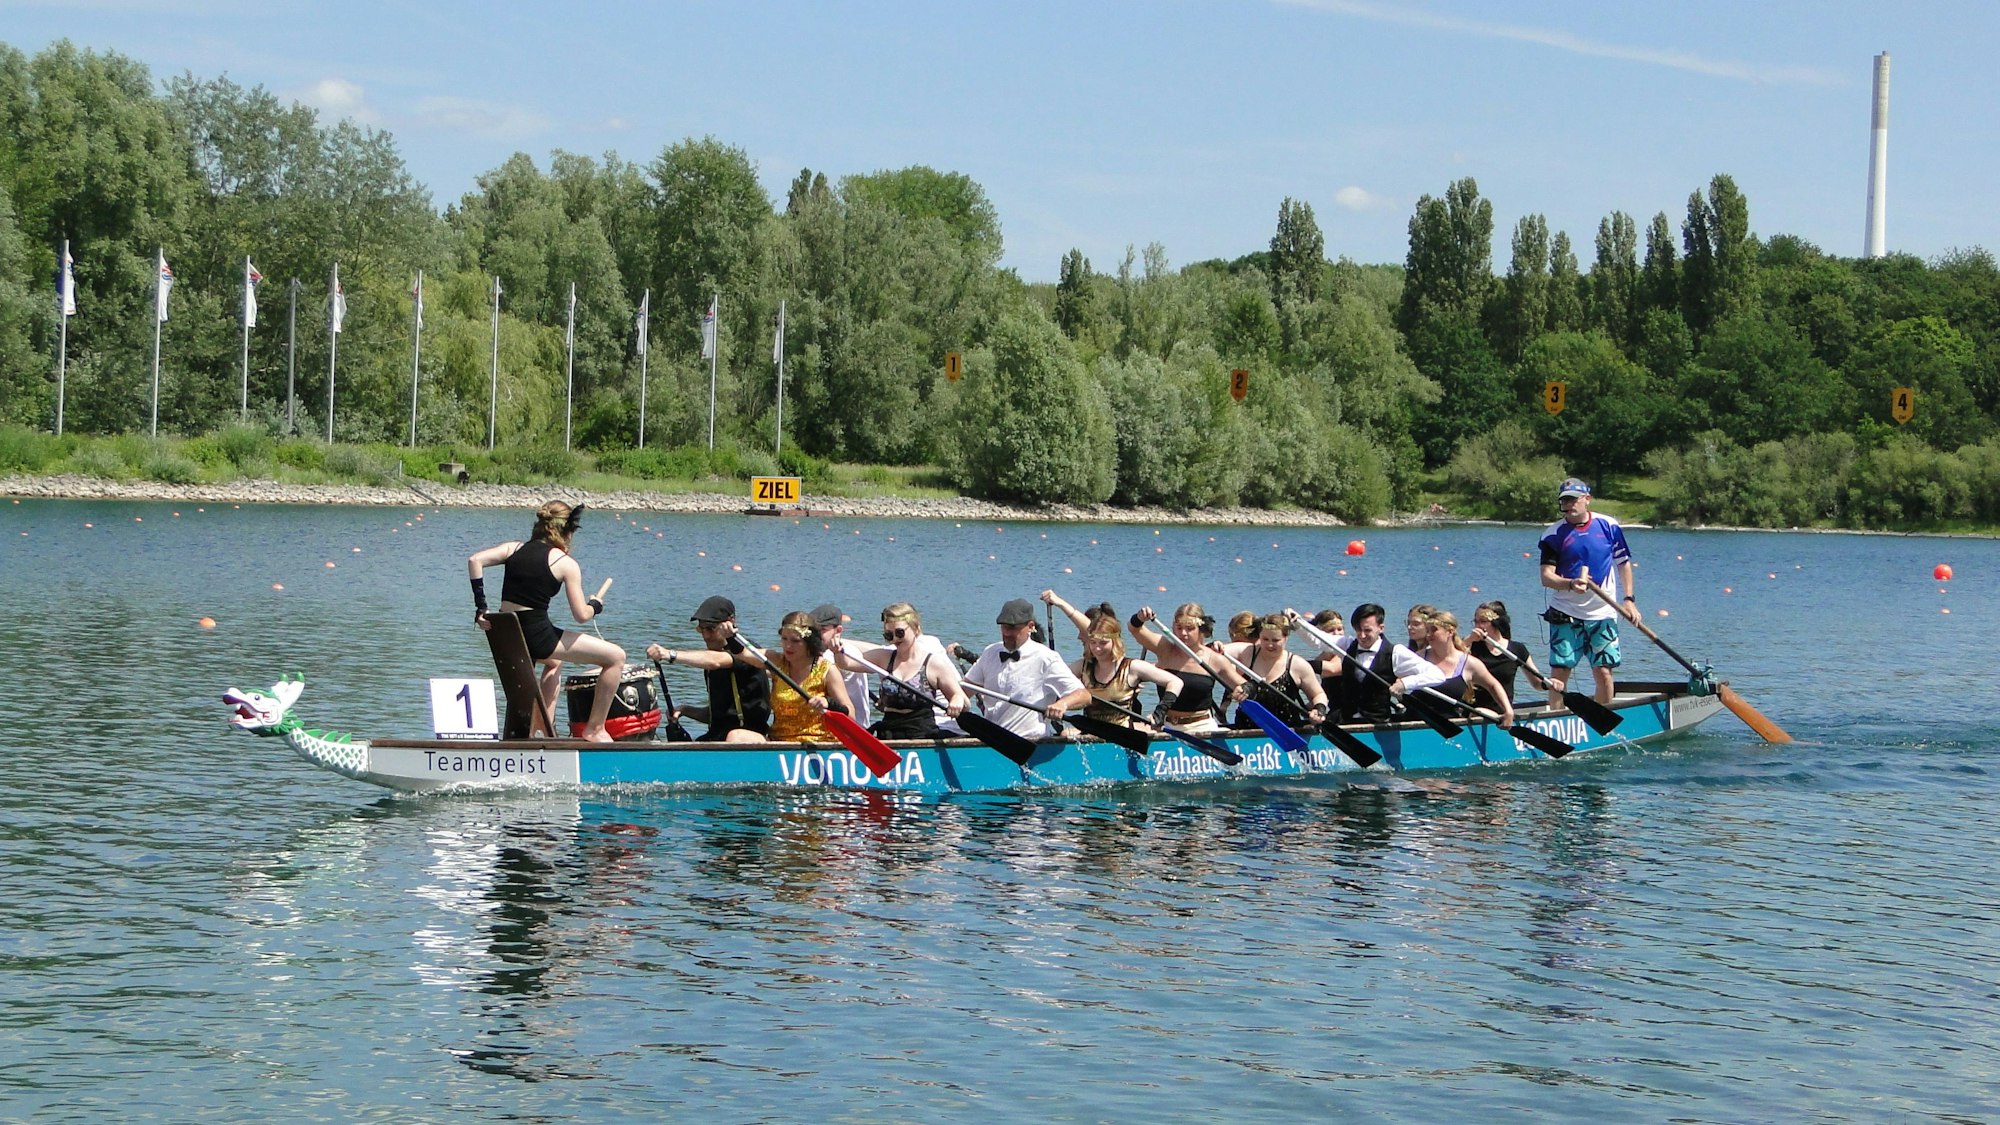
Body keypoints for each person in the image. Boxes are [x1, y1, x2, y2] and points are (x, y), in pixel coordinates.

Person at [468, 500, 624, 742]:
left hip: (507, 637)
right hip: (536, 637)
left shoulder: (514, 548)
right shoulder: (565, 563)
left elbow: (475, 560)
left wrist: (481, 607)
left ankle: (541, 727)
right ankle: (595, 729)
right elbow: (581, 616)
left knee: (554, 662)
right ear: (567, 531)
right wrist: (596, 606)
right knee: (615, 657)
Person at [1538, 476, 1640, 706]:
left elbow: (1623, 563)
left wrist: (1629, 600)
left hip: (1603, 614)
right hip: (1565, 612)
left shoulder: (1609, 526)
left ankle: (1604, 717)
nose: (1569, 505)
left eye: (1574, 499)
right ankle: (1556, 718)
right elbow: (1546, 577)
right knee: (1559, 674)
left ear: (1587, 499)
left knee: (1604, 672)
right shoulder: (1552, 535)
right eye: (1565, 501)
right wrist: (1570, 584)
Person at [1041, 590, 1183, 728]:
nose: (1097, 648)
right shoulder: (1082, 666)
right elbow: (1049, 680)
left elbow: (1176, 682)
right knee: (1064, 734)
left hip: (1124, 734)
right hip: (1090, 732)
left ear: (1115, 642)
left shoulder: (1132, 667)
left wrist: (1160, 712)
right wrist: (1058, 704)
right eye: (1093, 642)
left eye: (1103, 643)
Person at [645, 595, 771, 742]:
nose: (705, 636)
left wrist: (669, 654)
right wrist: (685, 710)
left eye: (710, 629)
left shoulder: (746, 651)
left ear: (730, 622)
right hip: (716, 737)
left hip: (747, 737)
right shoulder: (710, 662)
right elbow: (717, 714)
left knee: (733, 736)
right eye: (701, 629)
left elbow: (716, 661)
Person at [961, 598, 1090, 739]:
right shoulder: (990, 653)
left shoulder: (1046, 658)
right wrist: (954, 698)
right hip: (991, 739)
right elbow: (964, 690)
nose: (1007, 633)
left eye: (1013, 628)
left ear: (1030, 626)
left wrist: (1062, 704)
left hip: (1029, 741)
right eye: (1004, 627)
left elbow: (1084, 695)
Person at [848, 602, 968, 739]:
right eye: (889, 635)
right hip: (889, 732)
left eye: (900, 633)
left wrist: (956, 701)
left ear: (915, 628)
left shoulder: (934, 663)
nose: (895, 639)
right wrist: (836, 647)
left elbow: (963, 701)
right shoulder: (885, 657)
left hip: (921, 734)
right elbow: (847, 662)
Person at [1316, 602, 1446, 724]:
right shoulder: (1347, 644)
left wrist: (1404, 684)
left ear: (1381, 628)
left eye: (1367, 630)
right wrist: (1303, 624)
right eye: (1358, 630)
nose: (1361, 635)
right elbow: (1316, 639)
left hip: (1378, 722)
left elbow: (1437, 675)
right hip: (1346, 720)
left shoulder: (1396, 652)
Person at [1130, 602, 1245, 735]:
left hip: (1202, 726)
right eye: (1179, 628)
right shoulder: (1165, 648)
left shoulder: (1214, 659)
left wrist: (1243, 691)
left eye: (1190, 629)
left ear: (1201, 629)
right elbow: (1134, 629)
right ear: (1173, 628)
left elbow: (1244, 685)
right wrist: (1139, 617)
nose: (1183, 633)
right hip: (1166, 725)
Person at [744, 611, 854, 743]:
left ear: (809, 643)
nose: (788, 646)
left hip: (817, 742)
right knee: (736, 735)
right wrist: (729, 635)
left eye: (795, 641)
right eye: (784, 639)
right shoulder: (777, 662)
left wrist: (829, 703)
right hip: (779, 742)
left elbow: (851, 715)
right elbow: (742, 653)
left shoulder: (827, 670)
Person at [1415, 609, 1515, 727]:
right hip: (1414, 721)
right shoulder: (1417, 659)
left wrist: (1508, 711)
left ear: (1450, 631)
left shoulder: (1469, 663)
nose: (1428, 635)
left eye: (1434, 630)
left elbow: (1493, 685)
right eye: (1427, 630)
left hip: (1449, 726)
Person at [1237, 613, 1330, 729]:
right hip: (1245, 729)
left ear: (1286, 638)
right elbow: (1218, 655)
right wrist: (1217, 645)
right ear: (1259, 636)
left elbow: (1318, 694)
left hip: (1286, 730)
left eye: (1276, 640)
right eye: (1265, 639)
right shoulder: (1247, 653)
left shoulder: (1297, 665)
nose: (1270, 645)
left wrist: (1319, 708)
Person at [1467, 600, 1542, 712]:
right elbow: (1452, 655)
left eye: (1483, 621)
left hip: (1503, 712)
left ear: (1497, 622)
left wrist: (1549, 684)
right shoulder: (1470, 646)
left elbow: (1537, 683)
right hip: (1473, 711)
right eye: (1475, 622)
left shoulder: (1517, 649)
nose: (1477, 626)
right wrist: (1469, 640)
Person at [811, 603, 873, 730]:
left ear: (838, 631)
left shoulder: (847, 652)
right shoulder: (820, 650)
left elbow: (842, 664)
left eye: (822, 630)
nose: (815, 635)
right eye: (812, 630)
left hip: (854, 727)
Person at [1303, 609, 1348, 719]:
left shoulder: (1346, 653)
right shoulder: (1320, 658)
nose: (1337, 634)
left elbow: (1332, 669)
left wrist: (1296, 664)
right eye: (1331, 630)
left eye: (1340, 629)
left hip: (1352, 711)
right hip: (1335, 709)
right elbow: (1322, 693)